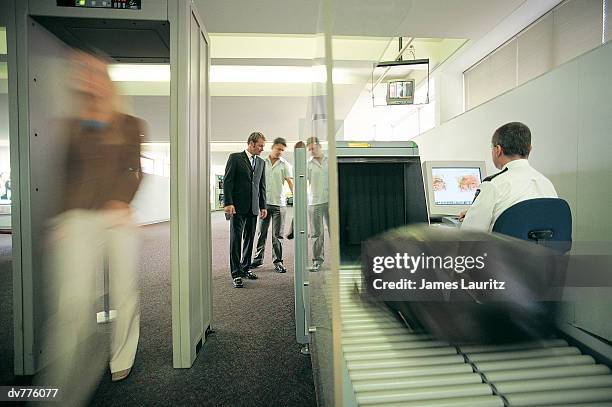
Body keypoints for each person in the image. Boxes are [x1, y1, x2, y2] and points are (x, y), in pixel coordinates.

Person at [39, 50, 144, 405]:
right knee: (73, 300)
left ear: (108, 80)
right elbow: (65, 177)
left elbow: (134, 170)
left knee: (123, 289)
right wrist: (63, 216)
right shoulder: (71, 125)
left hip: (117, 218)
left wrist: (122, 200)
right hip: (80, 217)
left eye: (96, 72)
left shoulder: (129, 123)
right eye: (84, 72)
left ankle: (122, 357)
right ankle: (60, 377)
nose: (90, 78)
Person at [460, 122, 557, 231]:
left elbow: (469, 236)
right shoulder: (547, 184)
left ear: (498, 150)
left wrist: (473, 218)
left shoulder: (493, 185)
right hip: (544, 248)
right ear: (530, 149)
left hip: (503, 248)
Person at [224, 132, 268, 288]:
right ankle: (236, 273)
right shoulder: (235, 158)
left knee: (249, 239)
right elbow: (228, 181)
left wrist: (263, 206)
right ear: (251, 143)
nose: (263, 148)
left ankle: (245, 268)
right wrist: (228, 202)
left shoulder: (262, 163)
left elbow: (261, 186)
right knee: (236, 239)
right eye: (261, 145)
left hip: (253, 207)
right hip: (237, 207)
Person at [251, 137, 293, 273]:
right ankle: (258, 259)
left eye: (282, 150)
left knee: (277, 235)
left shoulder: (284, 164)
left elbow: (290, 182)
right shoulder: (262, 162)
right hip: (264, 204)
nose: (280, 152)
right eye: (278, 149)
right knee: (261, 233)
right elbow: (256, 182)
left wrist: (296, 196)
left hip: (279, 205)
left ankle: (278, 261)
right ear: (273, 147)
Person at [306, 136, 329, 272]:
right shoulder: (308, 164)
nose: (312, 151)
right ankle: (317, 261)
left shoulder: (330, 161)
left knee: (336, 232)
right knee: (316, 234)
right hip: (314, 202)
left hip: (331, 201)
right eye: (310, 150)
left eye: (313, 148)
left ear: (319, 146)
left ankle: (341, 259)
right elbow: (304, 183)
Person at [286, 140, 305, 240]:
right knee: (298, 213)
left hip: (303, 193)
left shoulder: (304, 163)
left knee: (300, 214)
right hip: (299, 192)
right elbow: (290, 180)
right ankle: (294, 230)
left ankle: (296, 230)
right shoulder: (294, 166)